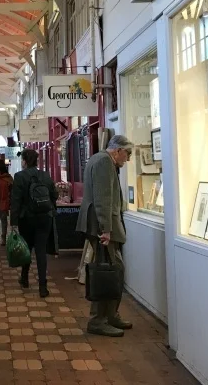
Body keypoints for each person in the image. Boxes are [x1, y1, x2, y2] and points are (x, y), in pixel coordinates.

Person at [76, 134, 133, 337]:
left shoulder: (99, 159)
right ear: (117, 151)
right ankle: (99, 319)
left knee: (111, 268)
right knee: (108, 270)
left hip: (99, 225)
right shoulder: (104, 163)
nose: (128, 159)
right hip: (101, 227)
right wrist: (106, 229)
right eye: (127, 153)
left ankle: (110, 314)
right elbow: (103, 199)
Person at [10, 149, 58, 298]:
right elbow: (54, 195)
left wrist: (14, 223)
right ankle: (43, 287)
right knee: (41, 251)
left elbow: (16, 201)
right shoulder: (45, 175)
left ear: (24, 161)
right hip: (44, 218)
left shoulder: (19, 176)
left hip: (27, 219)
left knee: (26, 248)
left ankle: (24, 278)